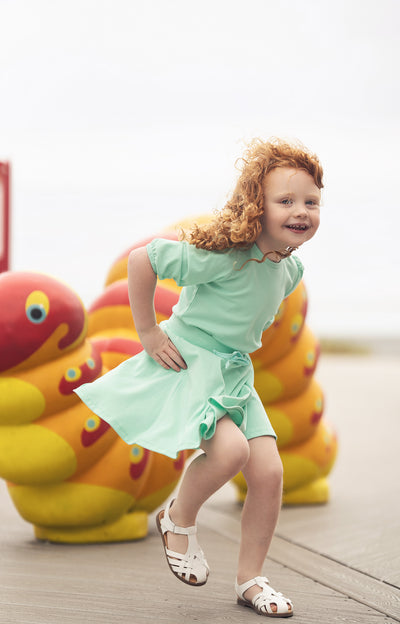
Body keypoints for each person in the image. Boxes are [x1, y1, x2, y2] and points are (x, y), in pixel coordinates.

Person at [75, 137, 323, 618]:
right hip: (189, 361)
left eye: (311, 202)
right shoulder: (226, 254)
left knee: (269, 474)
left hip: (233, 373)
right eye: (286, 200)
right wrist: (147, 331)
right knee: (232, 451)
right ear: (258, 203)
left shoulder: (289, 270)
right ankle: (178, 516)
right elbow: (142, 260)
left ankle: (250, 579)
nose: (301, 211)